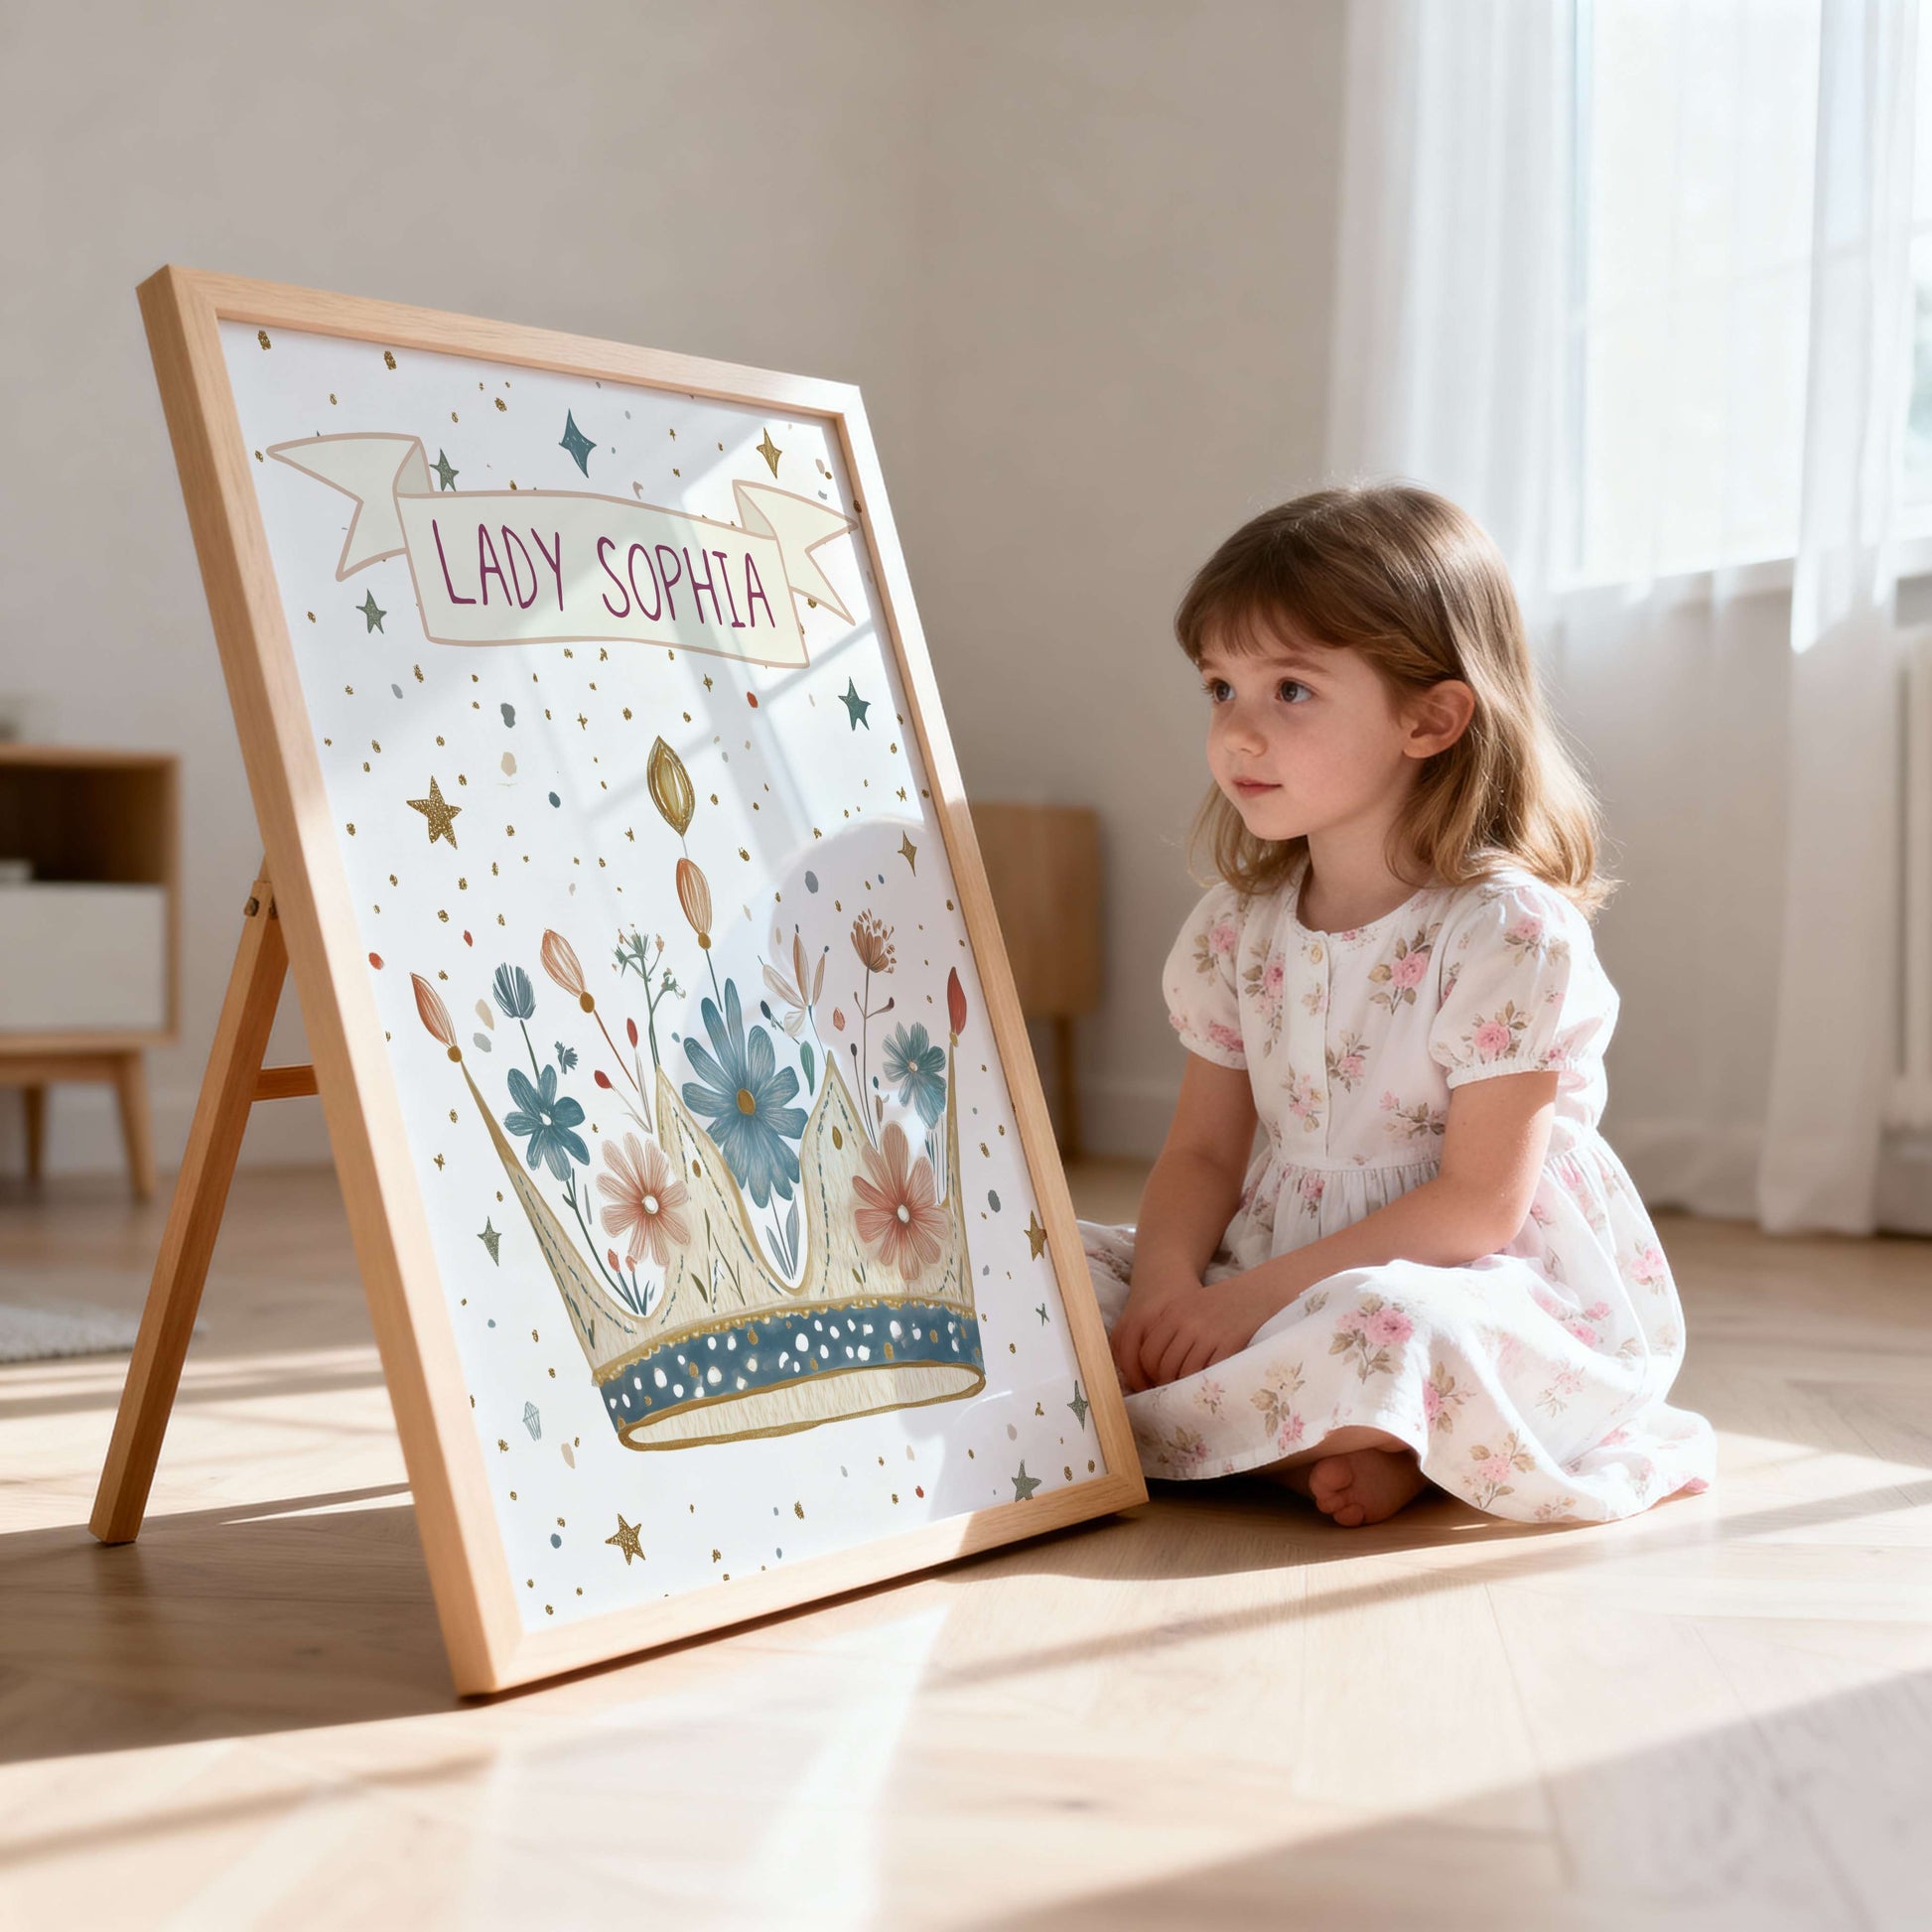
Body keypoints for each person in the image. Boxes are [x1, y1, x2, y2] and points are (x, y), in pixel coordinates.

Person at [1082, 484, 1715, 1528]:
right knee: (1046, 1274)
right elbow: (1199, 1153)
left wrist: (1240, 1307)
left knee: (1391, 1324)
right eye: (1218, 686)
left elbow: (1475, 1205)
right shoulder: (1235, 926)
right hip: (1274, 1258)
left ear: (1429, 716)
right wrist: (1163, 1285)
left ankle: (1279, 1433)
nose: (1237, 732)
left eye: (1289, 690)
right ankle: (1346, 1440)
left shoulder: (1505, 931)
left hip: (1462, 1272)